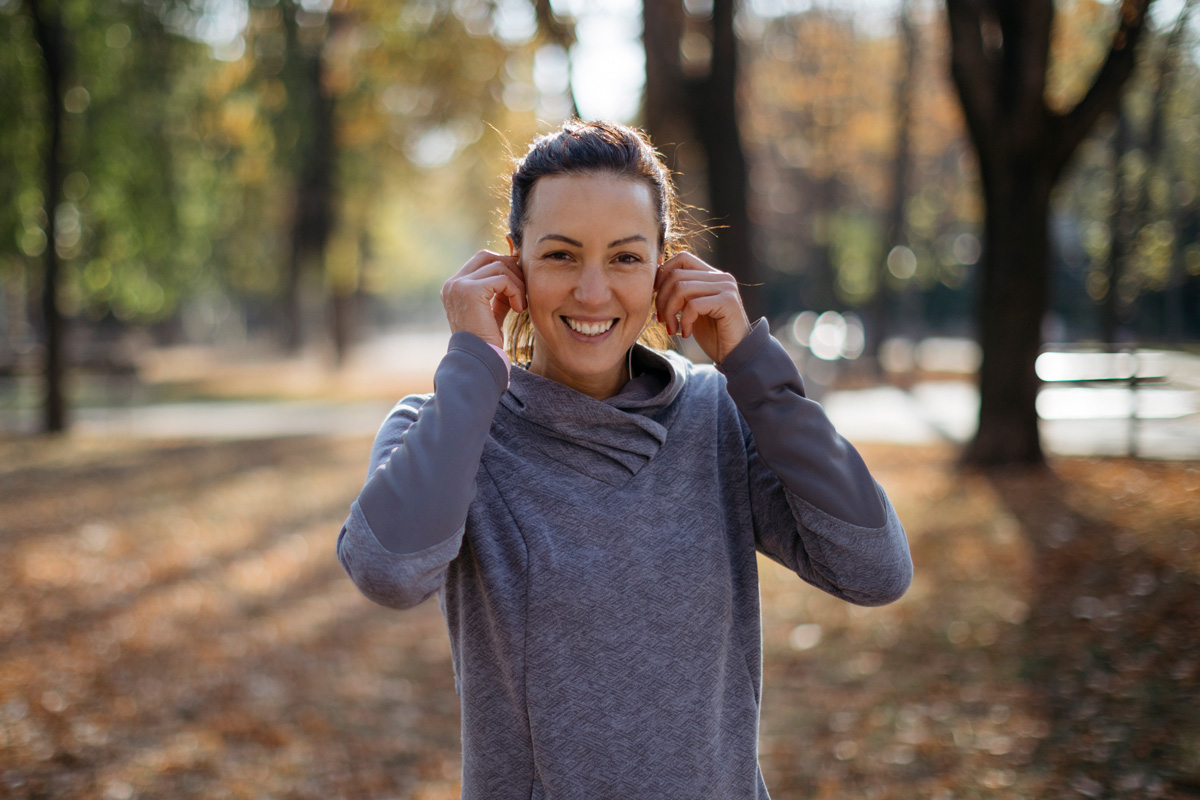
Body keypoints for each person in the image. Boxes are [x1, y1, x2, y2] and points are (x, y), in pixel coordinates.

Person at [336, 120, 912, 799]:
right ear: (513, 263)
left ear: (664, 267)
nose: (591, 291)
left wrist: (753, 368)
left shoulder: (719, 418)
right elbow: (387, 572)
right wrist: (472, 366)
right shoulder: (447, 428)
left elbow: (876, 570)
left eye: (624, 257)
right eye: (559, 255)